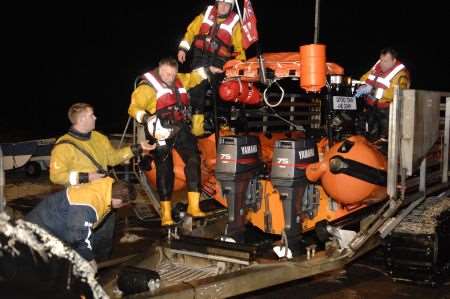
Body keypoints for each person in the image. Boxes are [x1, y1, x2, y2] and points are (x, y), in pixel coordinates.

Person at [129, 57, 221, 226]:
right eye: (165, 73)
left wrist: (209, 70)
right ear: (159, 69)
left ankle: (194, 206)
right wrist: (147, 118)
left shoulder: (179, 79)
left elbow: (194, 76)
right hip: (159, 132)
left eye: (172, 74)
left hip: (180, 128)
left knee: (193, 159)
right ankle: (166, 215)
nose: (169, 77)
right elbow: (134, 108)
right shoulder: (146, 88)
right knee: (165, 170)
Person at [25, 177, 136, 272]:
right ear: (118, 199)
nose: (122, 207)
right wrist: (89, 259)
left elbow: (84, 229)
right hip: (39, 229)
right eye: (123, 204)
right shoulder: (88, 205)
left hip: (52, 223)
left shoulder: (104, 189)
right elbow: (77, 236)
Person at [177, 0, 246, 136]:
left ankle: (224, 126)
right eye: (221, 3)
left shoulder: (235, 22)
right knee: (197, 91)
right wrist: (183, 49)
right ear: (217, 3)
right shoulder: (206, 13)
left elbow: (239, 47)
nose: (223, 6)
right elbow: (191, 31)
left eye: (227, 5)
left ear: (231, 7)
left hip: (220, 62)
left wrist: (238, 66)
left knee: (222, 93)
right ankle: (197, 129)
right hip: (199, 58)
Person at [50, 102, 153, 186]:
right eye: (91, 115)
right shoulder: (63, 145)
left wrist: (138, 148)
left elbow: (113, 158)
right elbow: (56, 176)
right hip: (80, 198)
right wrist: (86, 177)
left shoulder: (99, 137)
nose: (95, 117)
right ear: (82, 120)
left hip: (102, 193)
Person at [354, 47, 410, 138]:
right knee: (366, 136)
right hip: (371, 109)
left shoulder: (402, 75)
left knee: (385, 140)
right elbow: (363, 79)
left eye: (386, 61)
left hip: (387, 112)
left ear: (394, 60)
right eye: (381, 60)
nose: (382, 64)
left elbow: (396, 94)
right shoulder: (377, 67)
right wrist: (363, 86)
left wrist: (371, 90)